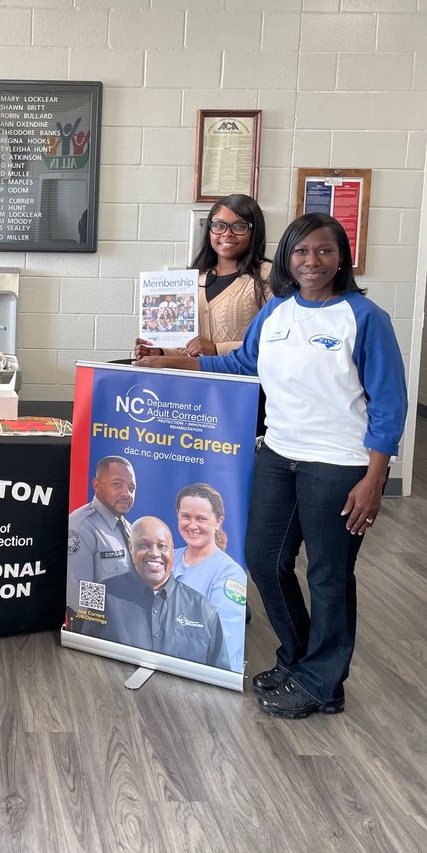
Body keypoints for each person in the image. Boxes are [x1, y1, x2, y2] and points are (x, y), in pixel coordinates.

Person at [137, 214, 407, 717]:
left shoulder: (364, 316)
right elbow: (242, 365)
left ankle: (323, 683)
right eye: (301, 252)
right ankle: (301, 658)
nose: (312, 261)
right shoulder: (278, 311)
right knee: (263, 559)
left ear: (341, 257)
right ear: (286, 259)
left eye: (323, 251)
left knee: (328, 574)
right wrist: (170, 360)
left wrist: (375, 476)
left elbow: (389, 403)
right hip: (279, 455)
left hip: (340, 463)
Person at [135, 194, 270, 361]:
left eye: (239, 226)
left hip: (240, 384)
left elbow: (275, 342)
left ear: (254, 231)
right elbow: (188, 347)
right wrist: (162, 352)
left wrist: (217, 349)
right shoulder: (194, 279)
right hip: (197, 383)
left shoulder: (266, 276)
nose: (227, 234)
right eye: (219, 225)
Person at [100, 517, 230, 670]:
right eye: (144, 545)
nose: (155, 553)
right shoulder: (104, 595)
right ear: (130, 547)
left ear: (172, 550)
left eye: (162, 546)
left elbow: (221, 674)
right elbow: (85, 657)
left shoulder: (203, 609)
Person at [171, 483, 247, 673]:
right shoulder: (168, 558)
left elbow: (226, 646)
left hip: (202, 675)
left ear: (218, 522)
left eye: (201, 518)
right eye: (185, 516)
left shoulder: (231, 574)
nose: (192, 525)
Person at [66, 456, 137, 623]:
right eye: (117, 484)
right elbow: (79, 595)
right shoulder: (80, 526)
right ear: (97, 486)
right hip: (95, 630)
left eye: (131, 488)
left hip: (128, 628)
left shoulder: (130, 528)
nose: (126, 493)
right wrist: (124, 611)